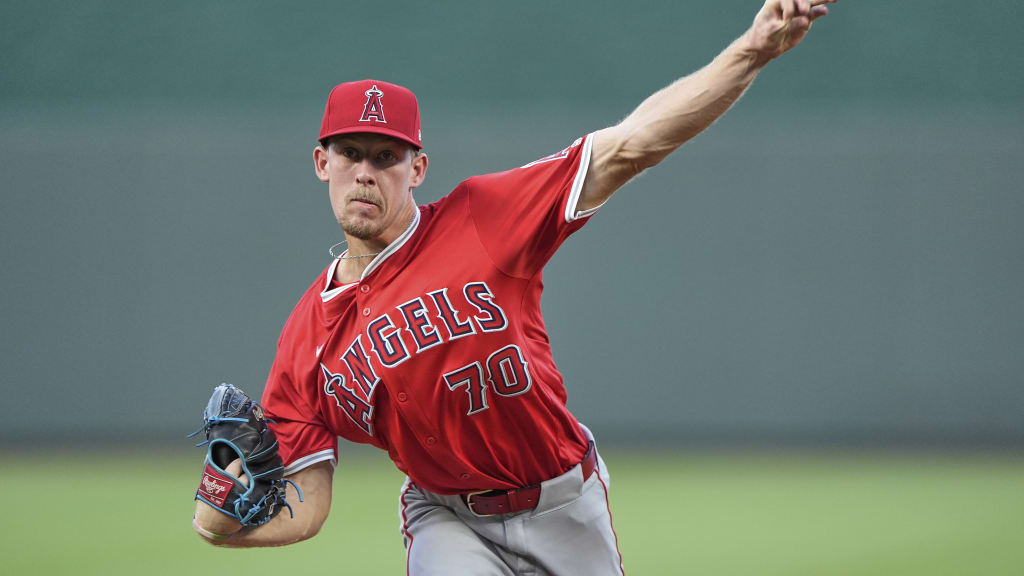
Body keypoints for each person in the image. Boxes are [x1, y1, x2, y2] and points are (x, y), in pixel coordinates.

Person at [191, 1, 838, 573]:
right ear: (321, 162)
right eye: (351, 152)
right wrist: (220, 524)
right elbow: (306, 513)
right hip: (446, 520)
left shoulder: (482, 219)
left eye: (386, 156)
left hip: (563, 501)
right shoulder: (305, 342)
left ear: (417, 169)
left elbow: (630, 146)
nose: (366, 172)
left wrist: (751, 50)